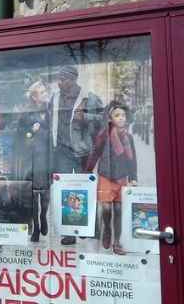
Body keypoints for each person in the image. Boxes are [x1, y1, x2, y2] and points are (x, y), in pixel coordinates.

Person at [49, 65, 104, 245]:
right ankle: (70, 232)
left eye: (62, 79)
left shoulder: (89, 98)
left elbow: (103, 120)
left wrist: (86, 117)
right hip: (62, 150)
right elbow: (49, 119)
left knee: (85, 189)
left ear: (72, 79)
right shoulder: (55, 98)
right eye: (58, 78)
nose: (59, 82)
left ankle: (92, 228)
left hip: (83, 151)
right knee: (66, 190)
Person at [86, 102, 137, 255]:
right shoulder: (104, 135)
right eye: (117, 116)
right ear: (111, 119)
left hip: (121, 177)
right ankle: (107, 229)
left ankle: (117, 243)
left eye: (123, 115)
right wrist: (87, 171)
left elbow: (132, 160)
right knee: (107, 209)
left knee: (119, 209)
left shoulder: (129, 137)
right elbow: (95, 153)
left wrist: (133, 177)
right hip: (106, 176)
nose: (121, 118)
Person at [17, 80, 51, 242]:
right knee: (33, 197)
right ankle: (36, 227)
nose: (45, 94)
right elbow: (20, 137)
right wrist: (31, 131)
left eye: (45, 91)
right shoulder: (26, 114)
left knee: (45, 195)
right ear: (34, 97)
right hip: (33, 159)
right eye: (42, 92)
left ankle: (43, 216)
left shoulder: (51, 110)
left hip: (47, 157)